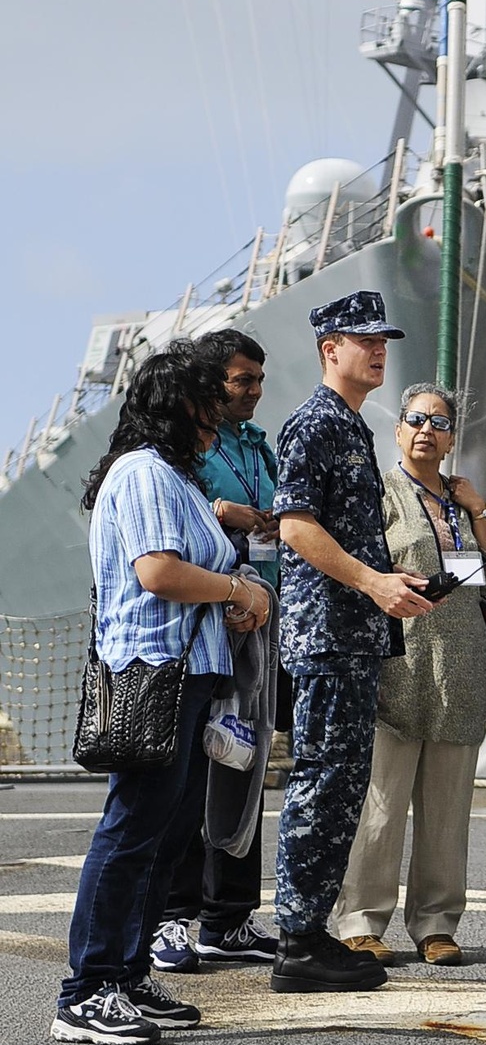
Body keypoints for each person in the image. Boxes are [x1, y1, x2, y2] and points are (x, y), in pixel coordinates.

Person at [51, 341, 271, 1045]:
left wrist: (236, 597)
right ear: (182, 405)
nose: (221, 412)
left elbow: (195, 571)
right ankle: (85, 990)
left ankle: (128, 971)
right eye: (210, 400)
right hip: (156, 672)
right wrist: (238, 587)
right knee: (131, 832)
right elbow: (159, 571)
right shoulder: (146, 472)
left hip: (189, 669)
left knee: (166, 835)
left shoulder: (172, 474)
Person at [269, 290, 436, 994]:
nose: (377, 349)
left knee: (340, 787)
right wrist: (372, 581)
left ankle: (310, 935)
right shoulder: (313, 424)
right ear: (327, 348)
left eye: (383, 339)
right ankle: (300, 939)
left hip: (354, 635)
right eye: (362, 338)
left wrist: (383, 575)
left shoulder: (350, 424)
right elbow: (294, 526)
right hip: (329, 635)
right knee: (322, 784)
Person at [335, 383, 486, 966]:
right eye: (415, 420)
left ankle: (436, 923)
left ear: (451, 437)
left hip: (460, 666)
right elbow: (356, 566)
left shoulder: (462, 501)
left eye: (438, 423)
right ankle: (362, 919)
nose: (425, 431)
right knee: (381, 803)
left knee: (447, 808)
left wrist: (479, 510)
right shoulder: (380, 493)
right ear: (398, 430)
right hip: (398, 663)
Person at [151, 328, 280, 973]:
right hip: (207, 623)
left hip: (257, 620)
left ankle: (228, 917)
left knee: (244, 764)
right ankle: (173, 916)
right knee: (189, 772)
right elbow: (173, 523)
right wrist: (227, 510)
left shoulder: (260, 445)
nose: (254, 392)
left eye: (259, 380)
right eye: (241, 381)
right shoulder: (178, 456)